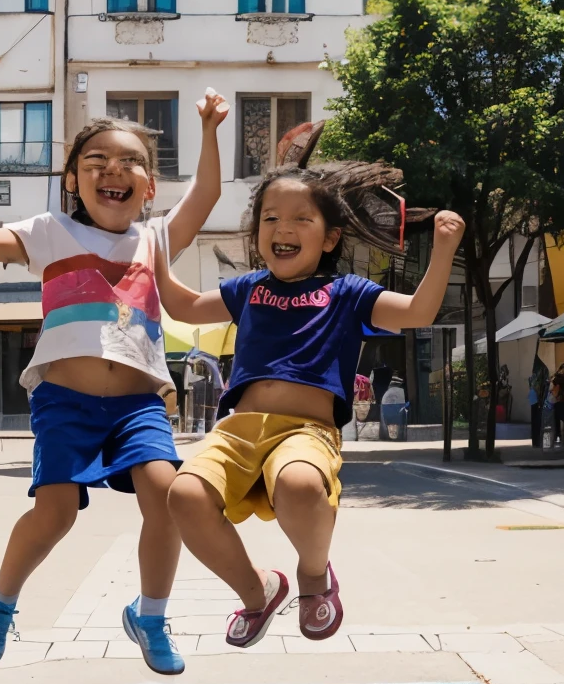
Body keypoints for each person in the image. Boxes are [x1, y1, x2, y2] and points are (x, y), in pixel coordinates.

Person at [0, 90, 232, 674]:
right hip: (65, 401)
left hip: (137, 403)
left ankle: (149, 615)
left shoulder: (154, 241)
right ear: (74, 181)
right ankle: (0, 597)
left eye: (130, 162)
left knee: (168, 498)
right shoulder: (49, 231)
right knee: (56, 514)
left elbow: (206, 195)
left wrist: (207, 128)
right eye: (96, 161)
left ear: (149, 186)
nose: (113, 170)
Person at [157, 160, 463, 647]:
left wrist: (443, 249)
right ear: (258, 233)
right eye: (271, 217)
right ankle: (259, 592)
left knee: (300, 485)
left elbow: (418, 312)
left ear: (330, 238)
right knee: (184, 495)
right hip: (239, 429)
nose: (284, 227)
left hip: (307, 430)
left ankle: (313, 576)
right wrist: (151, 251)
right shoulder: (248, 289)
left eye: (302, 218)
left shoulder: (346, 293)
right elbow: (184, 306)